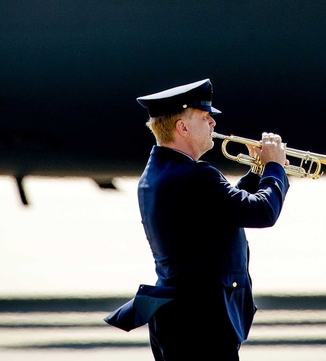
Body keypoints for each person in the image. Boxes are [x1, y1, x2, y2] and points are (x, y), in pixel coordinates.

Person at [105, 78, 289, 360]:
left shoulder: (158, 173)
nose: (213, 123)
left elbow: (222, 209)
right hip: (203, 325)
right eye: (205, 117)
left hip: (181, 320)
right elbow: (263, 212)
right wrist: (275, 167)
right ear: (183, 127)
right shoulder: (196, 175)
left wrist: (256, 174)